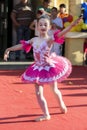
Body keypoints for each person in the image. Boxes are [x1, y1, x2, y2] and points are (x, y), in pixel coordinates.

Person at [4, 15, 81, 122]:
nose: (43, 26)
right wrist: (9, 49)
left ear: (49, 27)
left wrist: (73, 24)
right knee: (39, 93)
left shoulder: (50, 39)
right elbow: (21, 46)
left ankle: (61, 104)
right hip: (37, 69)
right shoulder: (33, 40)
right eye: (40, 24)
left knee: (54, 90)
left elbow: (62, 33)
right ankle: (46, 114)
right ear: (37, 26)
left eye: (45, 24)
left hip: (48, 68)